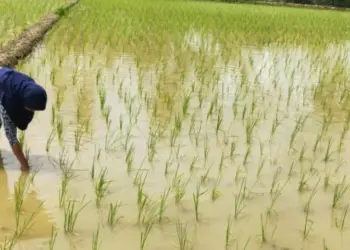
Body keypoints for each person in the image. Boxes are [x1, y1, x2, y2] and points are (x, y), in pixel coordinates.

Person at [0, 66, 47, 172]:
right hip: (2, 86)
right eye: (31, 109)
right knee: (9, 132)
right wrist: (25, 167)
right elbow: (12, 137)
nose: (32, 112)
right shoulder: (9, 100)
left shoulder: (30, 87)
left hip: (3, 78)